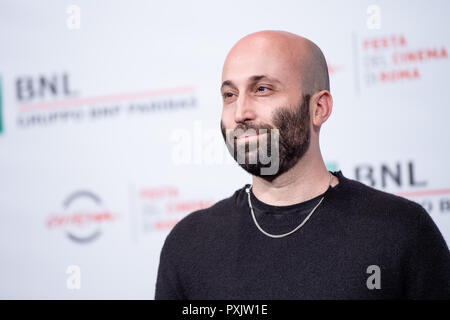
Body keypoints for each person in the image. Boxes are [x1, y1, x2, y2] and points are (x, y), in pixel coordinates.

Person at [155, 30, 450, 299]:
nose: (240, 112)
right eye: (230, 95)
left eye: (262, 89)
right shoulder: (190, 244)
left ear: (319, 108)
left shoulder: (400, 230)